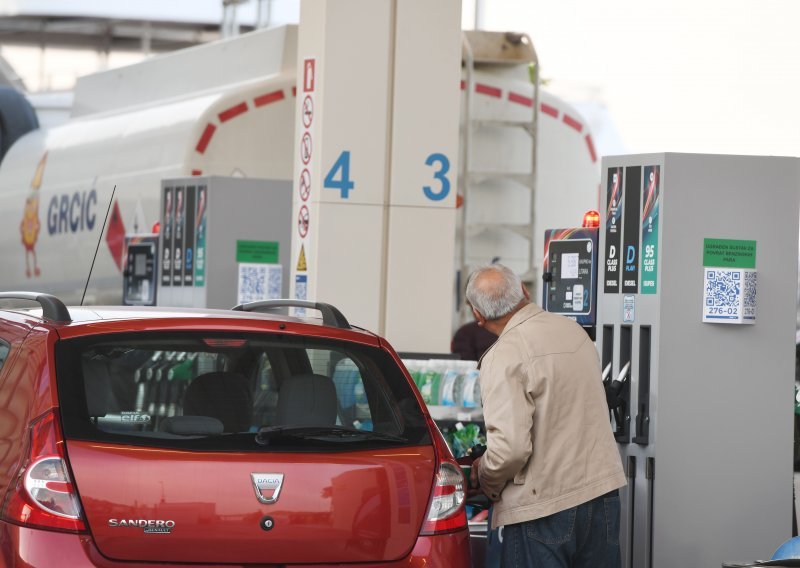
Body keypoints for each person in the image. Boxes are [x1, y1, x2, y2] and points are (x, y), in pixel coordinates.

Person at [466, 264, 626, 567]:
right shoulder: (574, 332)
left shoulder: (504, 354)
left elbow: (510, 450)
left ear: (478, 316)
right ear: (525, 293)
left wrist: (485, 476)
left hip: (542, 508)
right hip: (601, 495)